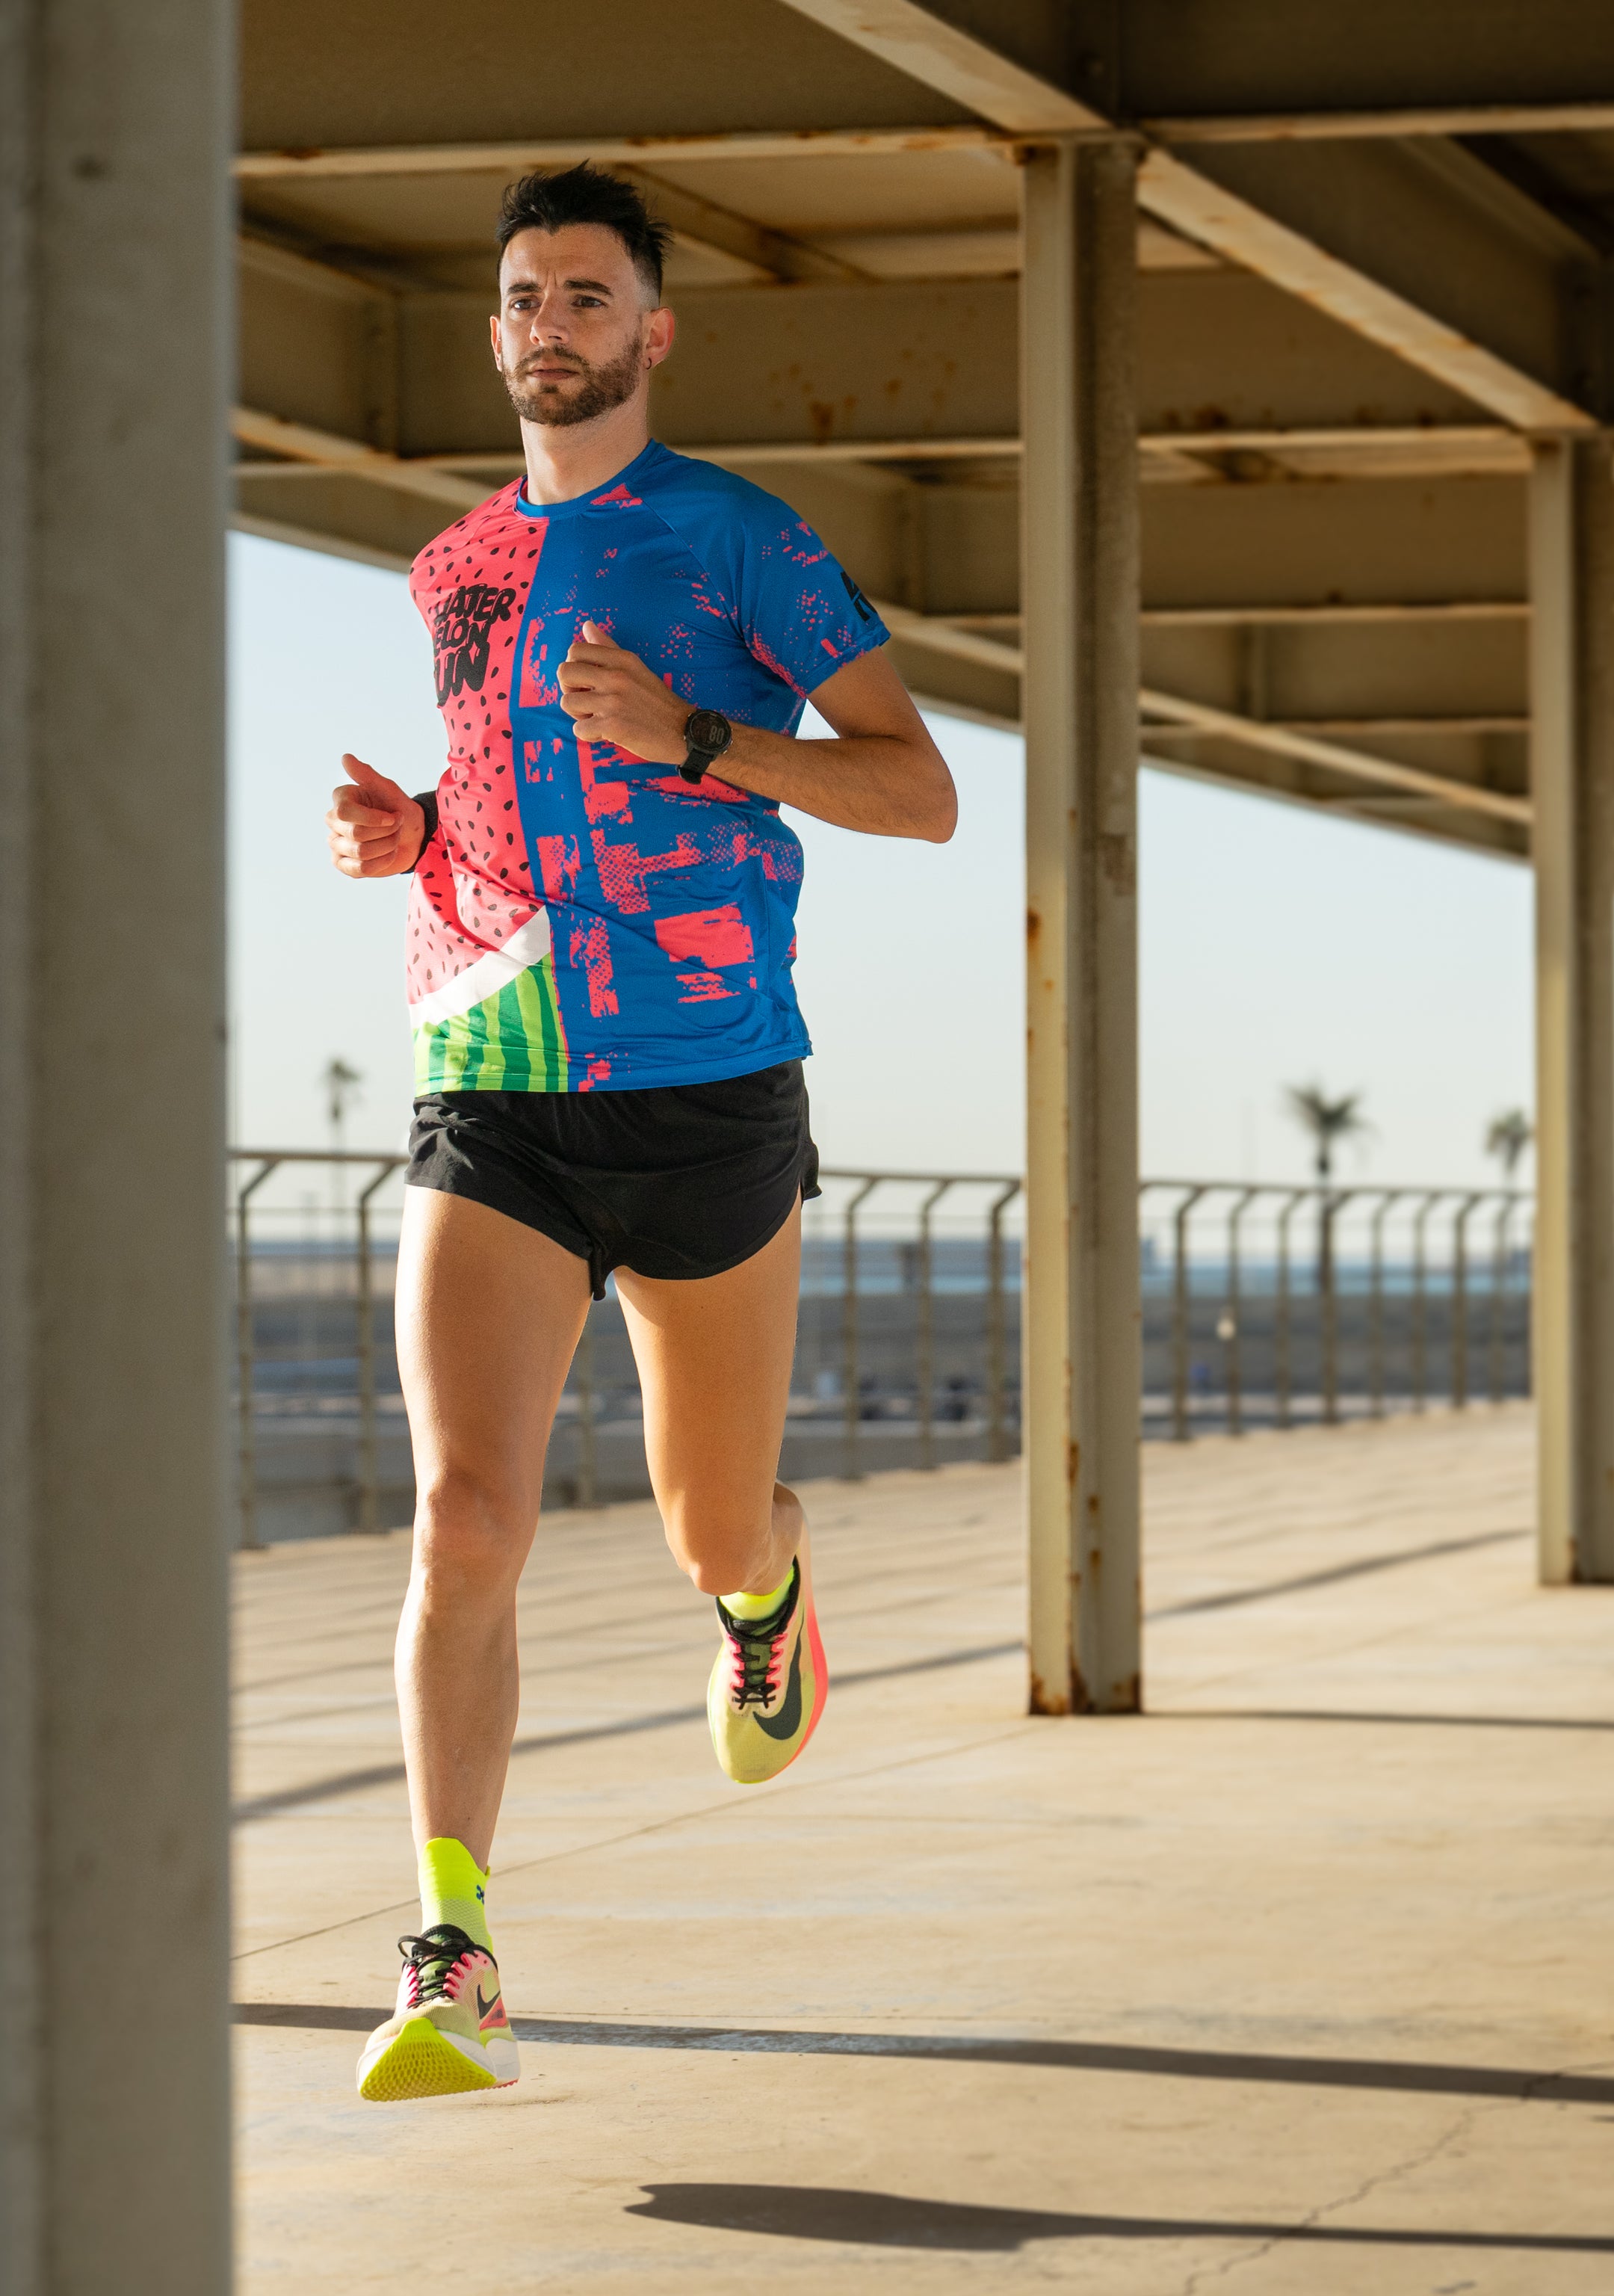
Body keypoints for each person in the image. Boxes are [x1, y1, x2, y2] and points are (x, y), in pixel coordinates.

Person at [322, 164, 956, 2102]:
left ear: (651, 332)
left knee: (700, 1517)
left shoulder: (743, 543)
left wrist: (701, 739)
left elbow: (917, 793)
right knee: (467, 1518)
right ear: (496, 329)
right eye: (523, 297)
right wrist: (413, 838)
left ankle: (765, 1589)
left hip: (707, 1098)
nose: (550, 325)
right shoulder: (449, 569)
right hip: (494, 1083)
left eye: (587, 296)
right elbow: (512, 811)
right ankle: (452, 1950)